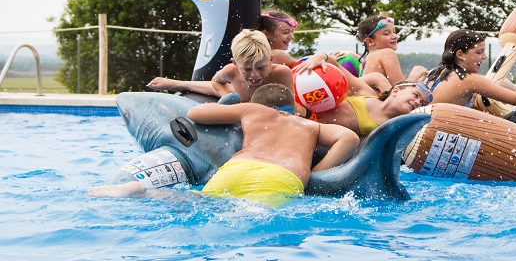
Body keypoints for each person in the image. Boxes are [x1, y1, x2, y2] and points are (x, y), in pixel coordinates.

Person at [88, 83, 360, 206]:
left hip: (237, 167)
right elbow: (349, 138)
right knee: (254, 215)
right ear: (296, 110)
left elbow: (194, 115)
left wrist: (228, 106)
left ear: (258, 103)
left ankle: (140, 191)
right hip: (282, 177)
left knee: (199, 202)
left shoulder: (252, 111)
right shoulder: (309, 125)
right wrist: (316, 172)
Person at [420, 29, 516, 115]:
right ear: (460, 54)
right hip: (435, 139)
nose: (485, 56)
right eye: (479, 52)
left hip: (420, 135)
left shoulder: (435, 72)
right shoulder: (469, 79)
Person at [148, 29, 294, 103]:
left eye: (261, 68)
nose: (255, 74)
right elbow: (215, 82)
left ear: (271, 60)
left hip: (255, 104)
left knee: (232, 90)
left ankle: (180, 84)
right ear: (235, 63)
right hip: (239, 94)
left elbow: (295, 106)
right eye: (247, 69)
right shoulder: (231, 71)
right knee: (225, 90)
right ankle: (179, 84)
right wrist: (225, 96)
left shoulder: (281, 73)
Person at [314, 82, 426, 137]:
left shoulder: (393, 128)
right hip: (306, 116)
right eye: (416, 95)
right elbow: (336, 67)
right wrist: (323, 57)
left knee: (350, 140)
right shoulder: (367, 93)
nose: (418, 103)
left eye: (422, 103)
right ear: (395, 91)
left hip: (318, 136)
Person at [357, 15, 428, 88]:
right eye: (386, 33)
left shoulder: (364, 63)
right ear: (370, 41)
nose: (395, 36)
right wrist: (414, 76)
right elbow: (400, 89)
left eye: (394, 32)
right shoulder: (387, 53)